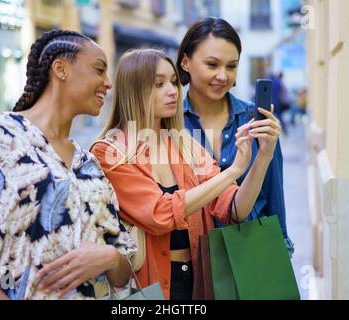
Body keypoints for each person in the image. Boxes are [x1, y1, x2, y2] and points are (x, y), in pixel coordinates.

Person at [0, 29, 135, 300]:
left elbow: (123, 271)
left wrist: (110, 257)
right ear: (61, 69)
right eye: (99, 70)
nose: (108, 83)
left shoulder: (88, 164)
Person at [90, 48, 281, 300]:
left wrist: (263, 158)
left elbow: (235, 209)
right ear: (134, 90)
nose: (172, 91)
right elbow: (160, 214)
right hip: (147, 286)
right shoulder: (110, 151)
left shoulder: (185, 145)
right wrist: (233, 171)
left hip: (197, 280)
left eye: (173, 82)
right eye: (158, 84)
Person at [176, 18, 294, 256]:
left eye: (231, 66)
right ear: (186, 62)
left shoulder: (256, 118)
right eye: (212, 64)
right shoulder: (170, 122)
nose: (223, 76)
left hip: (251, 254)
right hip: (192, 261)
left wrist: (281, 251)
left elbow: (274, 195)